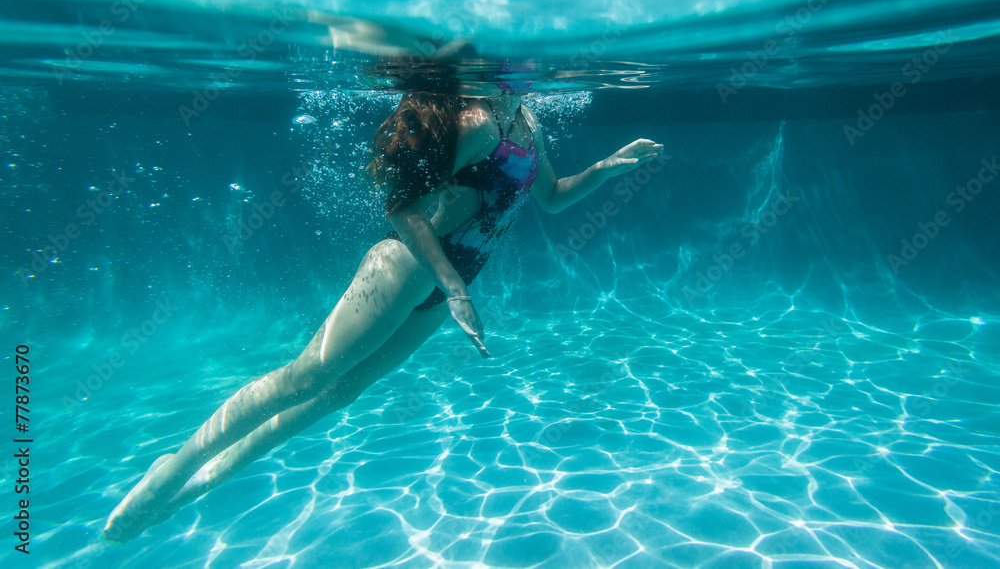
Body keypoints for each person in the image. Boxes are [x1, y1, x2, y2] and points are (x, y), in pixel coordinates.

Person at [103, 90, 663, 542]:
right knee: (306, 378)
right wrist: (455, 289)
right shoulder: (478, 125)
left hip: (444, 292)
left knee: (338, 394)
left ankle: (193, 486)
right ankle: (171, 471)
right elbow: (401, 206)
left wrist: (607, 167)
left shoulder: (528, 122)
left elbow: (553, 196)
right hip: (407, 270)